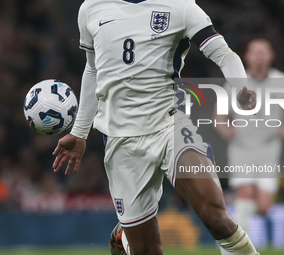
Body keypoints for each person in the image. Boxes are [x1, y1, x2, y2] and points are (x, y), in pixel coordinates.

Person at [52, 1, 259, 254]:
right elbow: (93, 69)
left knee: (215, 216)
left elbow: (224, 53)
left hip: (170, 125)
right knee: (147, 250)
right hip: (120, 140)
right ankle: (127, 237)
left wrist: (240, 86)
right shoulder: (91, 7)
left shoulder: (181, 6)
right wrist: (80, 132)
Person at [214, 39, 284, 233]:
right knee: (246, 191)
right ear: (247, 57)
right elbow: (219, 115)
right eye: (255, 51)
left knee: (264, 206)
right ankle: (242, 242)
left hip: (269, 147)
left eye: (264, 51)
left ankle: (232, 203)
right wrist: (226, 130)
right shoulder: (235, 83)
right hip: (242, 146)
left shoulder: (283, 81)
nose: (259, 55)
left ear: (271, 56)